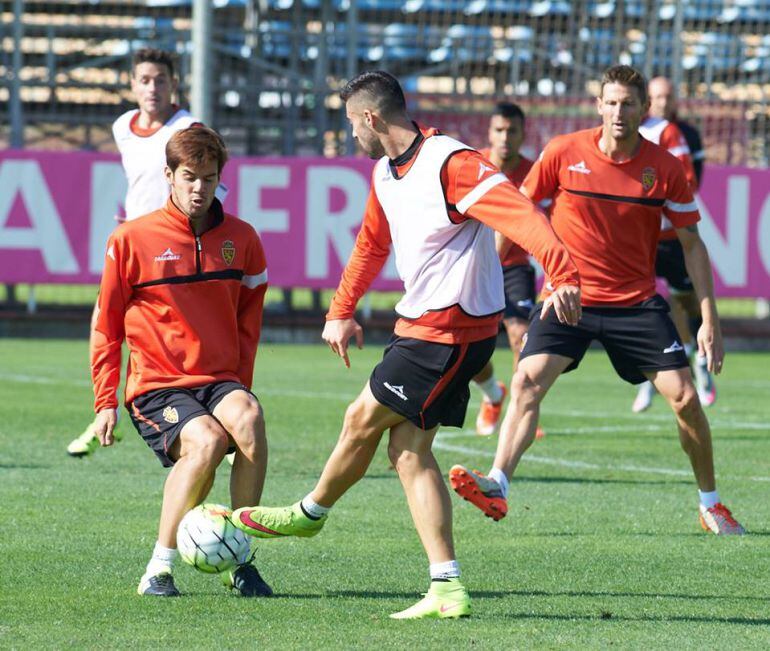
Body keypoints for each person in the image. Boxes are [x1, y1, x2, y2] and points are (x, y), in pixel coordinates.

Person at [230, 70, 581, 619]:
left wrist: (561, 273)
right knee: (409, 453)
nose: (351, 135)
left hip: (448, 332)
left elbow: (521, 214)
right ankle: (446, 585)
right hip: (426, 328)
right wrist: (341, 312)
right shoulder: (385, 173)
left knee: (358, 419)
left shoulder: (454, 163)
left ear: (371, 118)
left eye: (351, 124)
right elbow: (371, 243)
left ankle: (309, 511)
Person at [449, 65, 744, 536]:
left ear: (644, 109)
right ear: (598, 105)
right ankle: (498, 484)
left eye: (628, 103)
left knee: (686, 399)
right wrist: (480, 278)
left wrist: (710, 319)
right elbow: (519, 215)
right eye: (611, 102)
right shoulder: (563, 152)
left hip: (636, 304)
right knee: (526, 381)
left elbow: (692, 243)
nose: (618, 112)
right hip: (569, 298)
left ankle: (711, 505)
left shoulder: (664, 167)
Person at [90, 126, 272, 596]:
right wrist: (104, 400)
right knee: (208, 442)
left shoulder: (244, 240)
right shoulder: (131, 240)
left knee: (249, 418)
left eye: (209, 178)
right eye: (189, 177)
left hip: (219, 379)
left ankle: (241, 557)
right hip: (157, 386)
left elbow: (249, 325)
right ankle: (158, 568)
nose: (199, 188)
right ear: (168, 175)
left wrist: (240, 387)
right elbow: (106, 324)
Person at [67, 48, 202, 457]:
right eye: (144, 79)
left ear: (173, 84)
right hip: (132, 246)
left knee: (179, 339)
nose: (152, 88)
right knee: (106, 324)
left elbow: (207, 188)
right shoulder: (123, 126)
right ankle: (104, 411)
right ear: (131, 84)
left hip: (171, 251)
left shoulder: (187, 128)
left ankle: (210, 418)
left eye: (160, 79)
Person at [633, 75, 716, 412]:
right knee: (641, 305)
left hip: (670, 233)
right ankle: (646, 380)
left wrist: (651, 196)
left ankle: (699, 360)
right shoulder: (613, 134)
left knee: (686, 302)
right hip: (638, 237)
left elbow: (688, 179)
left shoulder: (669, 133)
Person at [470, 102, 544, 440]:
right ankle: (493, 394)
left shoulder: (534, 172)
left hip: (514, 267)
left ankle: (521, 410)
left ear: (521, 134)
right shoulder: (472, 164)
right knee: (469, 346)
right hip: (473, 263)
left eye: (512, 131)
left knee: (519, 335)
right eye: (499, 130)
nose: (505, 137)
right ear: (489, 132)